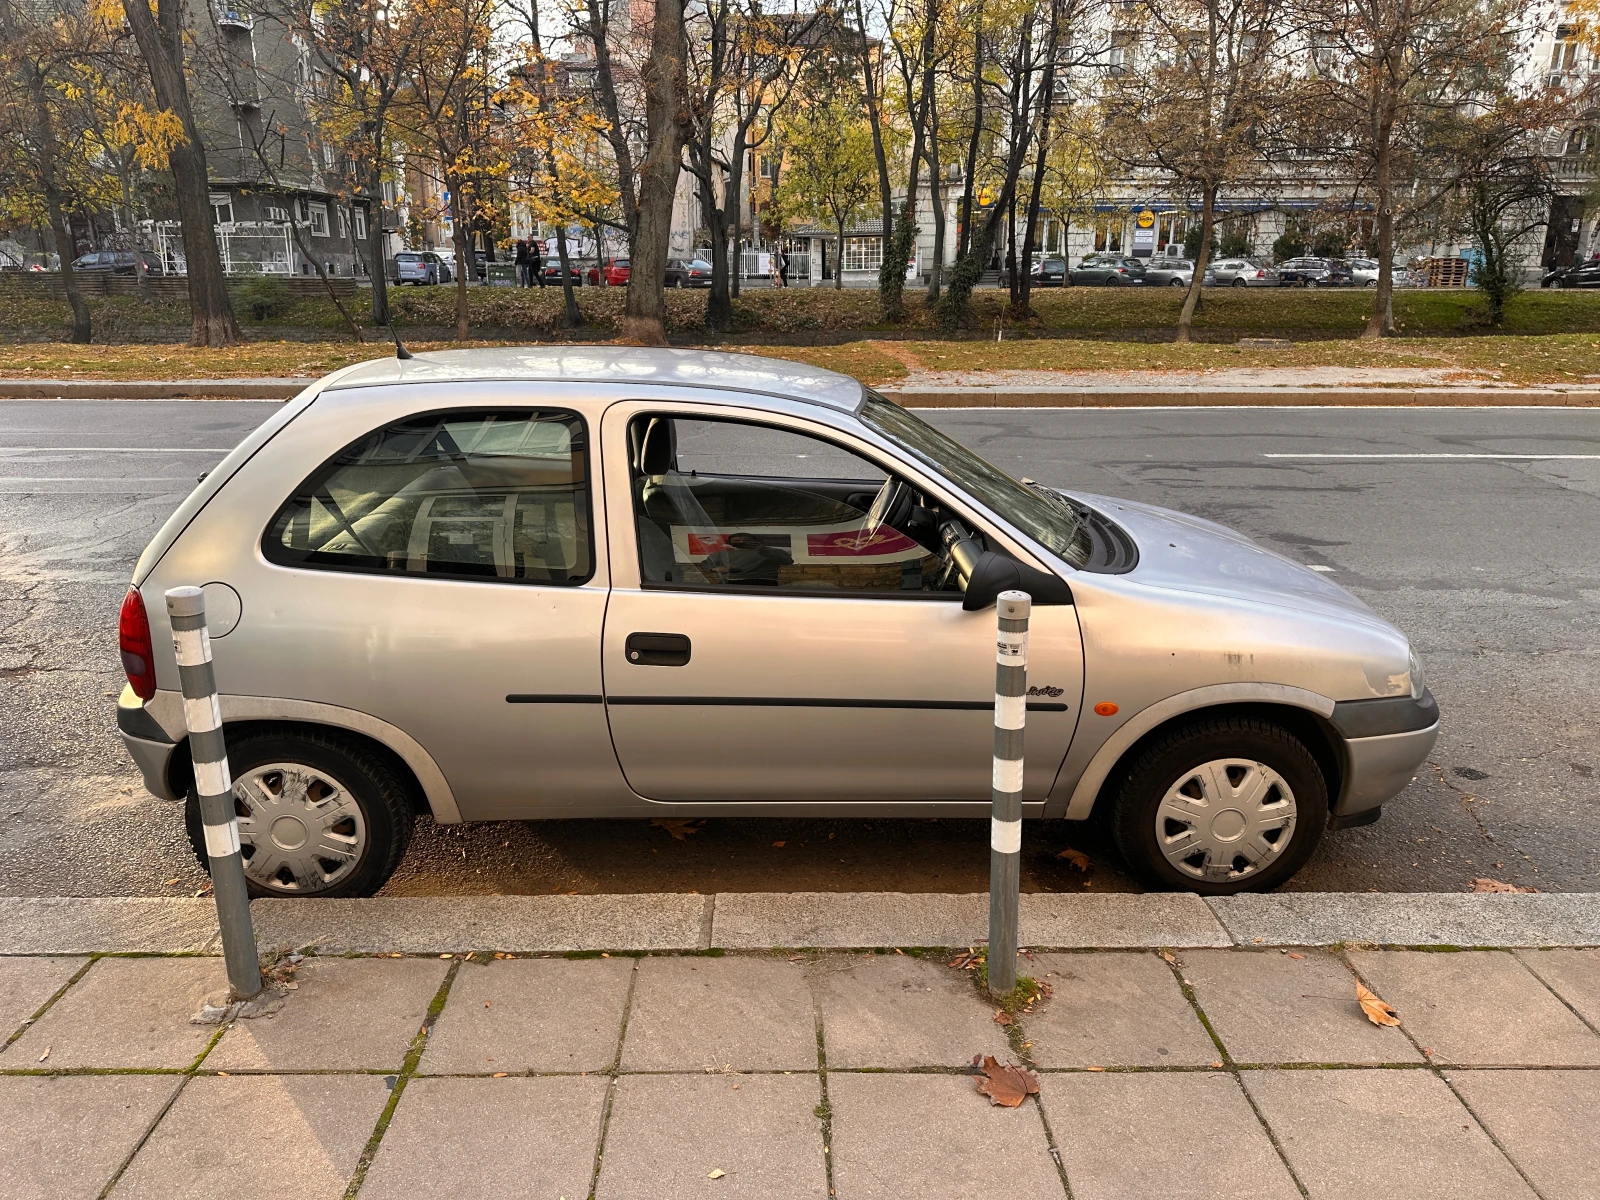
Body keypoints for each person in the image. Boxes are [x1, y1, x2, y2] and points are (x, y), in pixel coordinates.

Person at [699, 532, 792, 586]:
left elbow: (787, 561)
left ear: (754, 541)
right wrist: (716, 569)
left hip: (762, 582)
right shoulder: (722, 554)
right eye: (737, 541)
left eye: (746, 540)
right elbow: (706, 564)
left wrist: (763, 550)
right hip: (729, 582)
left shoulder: (770, 551)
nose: (742, 542)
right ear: (730, 542)